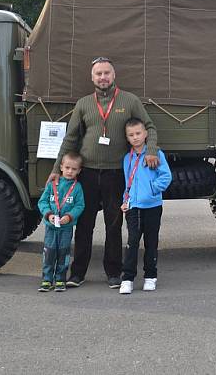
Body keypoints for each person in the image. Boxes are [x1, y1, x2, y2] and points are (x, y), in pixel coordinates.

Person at [49, 57, 160, 289]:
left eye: (106, 73)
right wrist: (55, 169)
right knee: (84, 224)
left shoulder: (129, 101)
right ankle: (77, 273)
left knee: (114, 224)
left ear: (113, 75)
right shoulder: (83, 104)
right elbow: (70, 138)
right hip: (87, 173)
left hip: (116, 174)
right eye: (98, 74)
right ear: (92, 78)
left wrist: (151, 151)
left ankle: (113, 273)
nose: (103, 77)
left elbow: (149, 126)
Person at [118, 118, 172, 294]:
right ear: (127, 138)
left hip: (153, 205)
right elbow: (128, 182)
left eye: (138, 133)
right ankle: (127, 278)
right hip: (133, 207)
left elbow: (165, 176)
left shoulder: (156, 154)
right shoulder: (127, 158)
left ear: (146, 134)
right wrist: (125, 200)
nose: (135, 137)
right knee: (132, 241)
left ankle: (150, 276)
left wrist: (152, 190)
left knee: (151, 242)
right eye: (131, 135)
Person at [37, 152, 85, 292]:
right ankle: (46, 279)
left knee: (63, 253)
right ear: (61, 167)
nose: (70, 171)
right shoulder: (53, 184)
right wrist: (49, 215)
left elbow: (79, 205)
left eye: (74, 169)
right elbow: (43, 202)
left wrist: (70, 216)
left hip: (66, 227)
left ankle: (60, 279)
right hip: (51, 227)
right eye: (67, 167)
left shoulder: (77, 188)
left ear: (79, 171)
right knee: (49, 252)